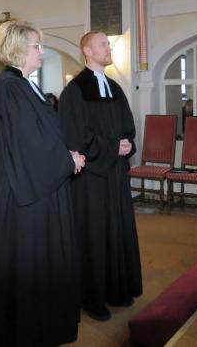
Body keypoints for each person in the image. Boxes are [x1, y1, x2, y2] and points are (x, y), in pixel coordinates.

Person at [0, 20, 86, 346]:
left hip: (32, 188)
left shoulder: (23, 84)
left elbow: (39, 137)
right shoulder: (11, 88)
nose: (41, 51)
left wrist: (64, 152)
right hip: (22, 199)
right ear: (16, 49)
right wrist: (69, 161)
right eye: (36, 46)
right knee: (30, 262)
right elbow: (28, 148)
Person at [58, 31, 142, 321]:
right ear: (88, 51)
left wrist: (128, 143)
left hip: (116, 173)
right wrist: (110, 148)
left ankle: (117, 288)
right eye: (104, 44)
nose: (109, 48)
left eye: (109, 43)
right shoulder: (74, 91)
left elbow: (128, 126)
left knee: (116, 229)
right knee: (93, 235)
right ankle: (90, 297)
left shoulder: (115, 88)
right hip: (90, 177)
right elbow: (74, 135)